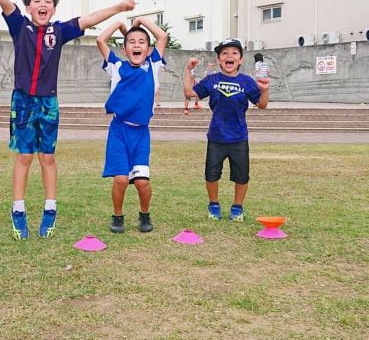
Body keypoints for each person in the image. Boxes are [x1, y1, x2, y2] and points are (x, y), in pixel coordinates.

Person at [0, 0, 135, 240]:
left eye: (48, 1)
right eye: (37, 1)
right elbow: (4, 2)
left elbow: (88, 19)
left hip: (49, 103)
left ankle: (50, 208)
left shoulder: (59, 31)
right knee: (25, 156)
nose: (43, 5)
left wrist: (119, 7)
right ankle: (18, 210)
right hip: (23, 102)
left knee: (47, 157)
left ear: (53, 8)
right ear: (28, 7)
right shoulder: (19, 26)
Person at [183, 38, 269, 222]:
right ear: (219, 59)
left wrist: (264, 89)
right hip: (216, 136)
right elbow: (189, 93)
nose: (229, 56)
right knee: (211, 174)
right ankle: (214, 205)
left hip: (239, 137)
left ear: (241, 60)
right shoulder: (212, 80)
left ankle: (237, 208)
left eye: (234, 53)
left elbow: (262, 104)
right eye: (224, 53)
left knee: (242, 175)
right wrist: (188, 69)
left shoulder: (246, 81)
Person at [97, 17, 167, 233]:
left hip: (141, 133)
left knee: (142, 183)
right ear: (125, 49)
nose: (137, 45)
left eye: (141, 42)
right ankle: (117, 217)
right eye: (131, 42)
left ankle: (144, 215)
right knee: (120, 179)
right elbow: (101, 39)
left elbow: (162, 36)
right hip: (119, 130)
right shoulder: (117, 67)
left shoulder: (153, 65)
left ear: (148, 49)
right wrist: (119, 24)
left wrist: (141, 21)